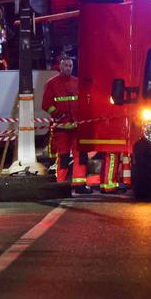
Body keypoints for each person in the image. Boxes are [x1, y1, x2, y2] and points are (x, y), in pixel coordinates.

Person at [42, 54, 88, 194]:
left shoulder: (77, 82)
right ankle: (61, 184)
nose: (68, 68)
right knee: (62, 156)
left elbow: (83, 102)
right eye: (66, 65)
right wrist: (58, 114)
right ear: (60, 67)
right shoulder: (52, 83)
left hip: (76, 127)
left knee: (80, 156)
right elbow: (46, 104)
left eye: (70, 66)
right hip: (61, 128)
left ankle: (79, 184)